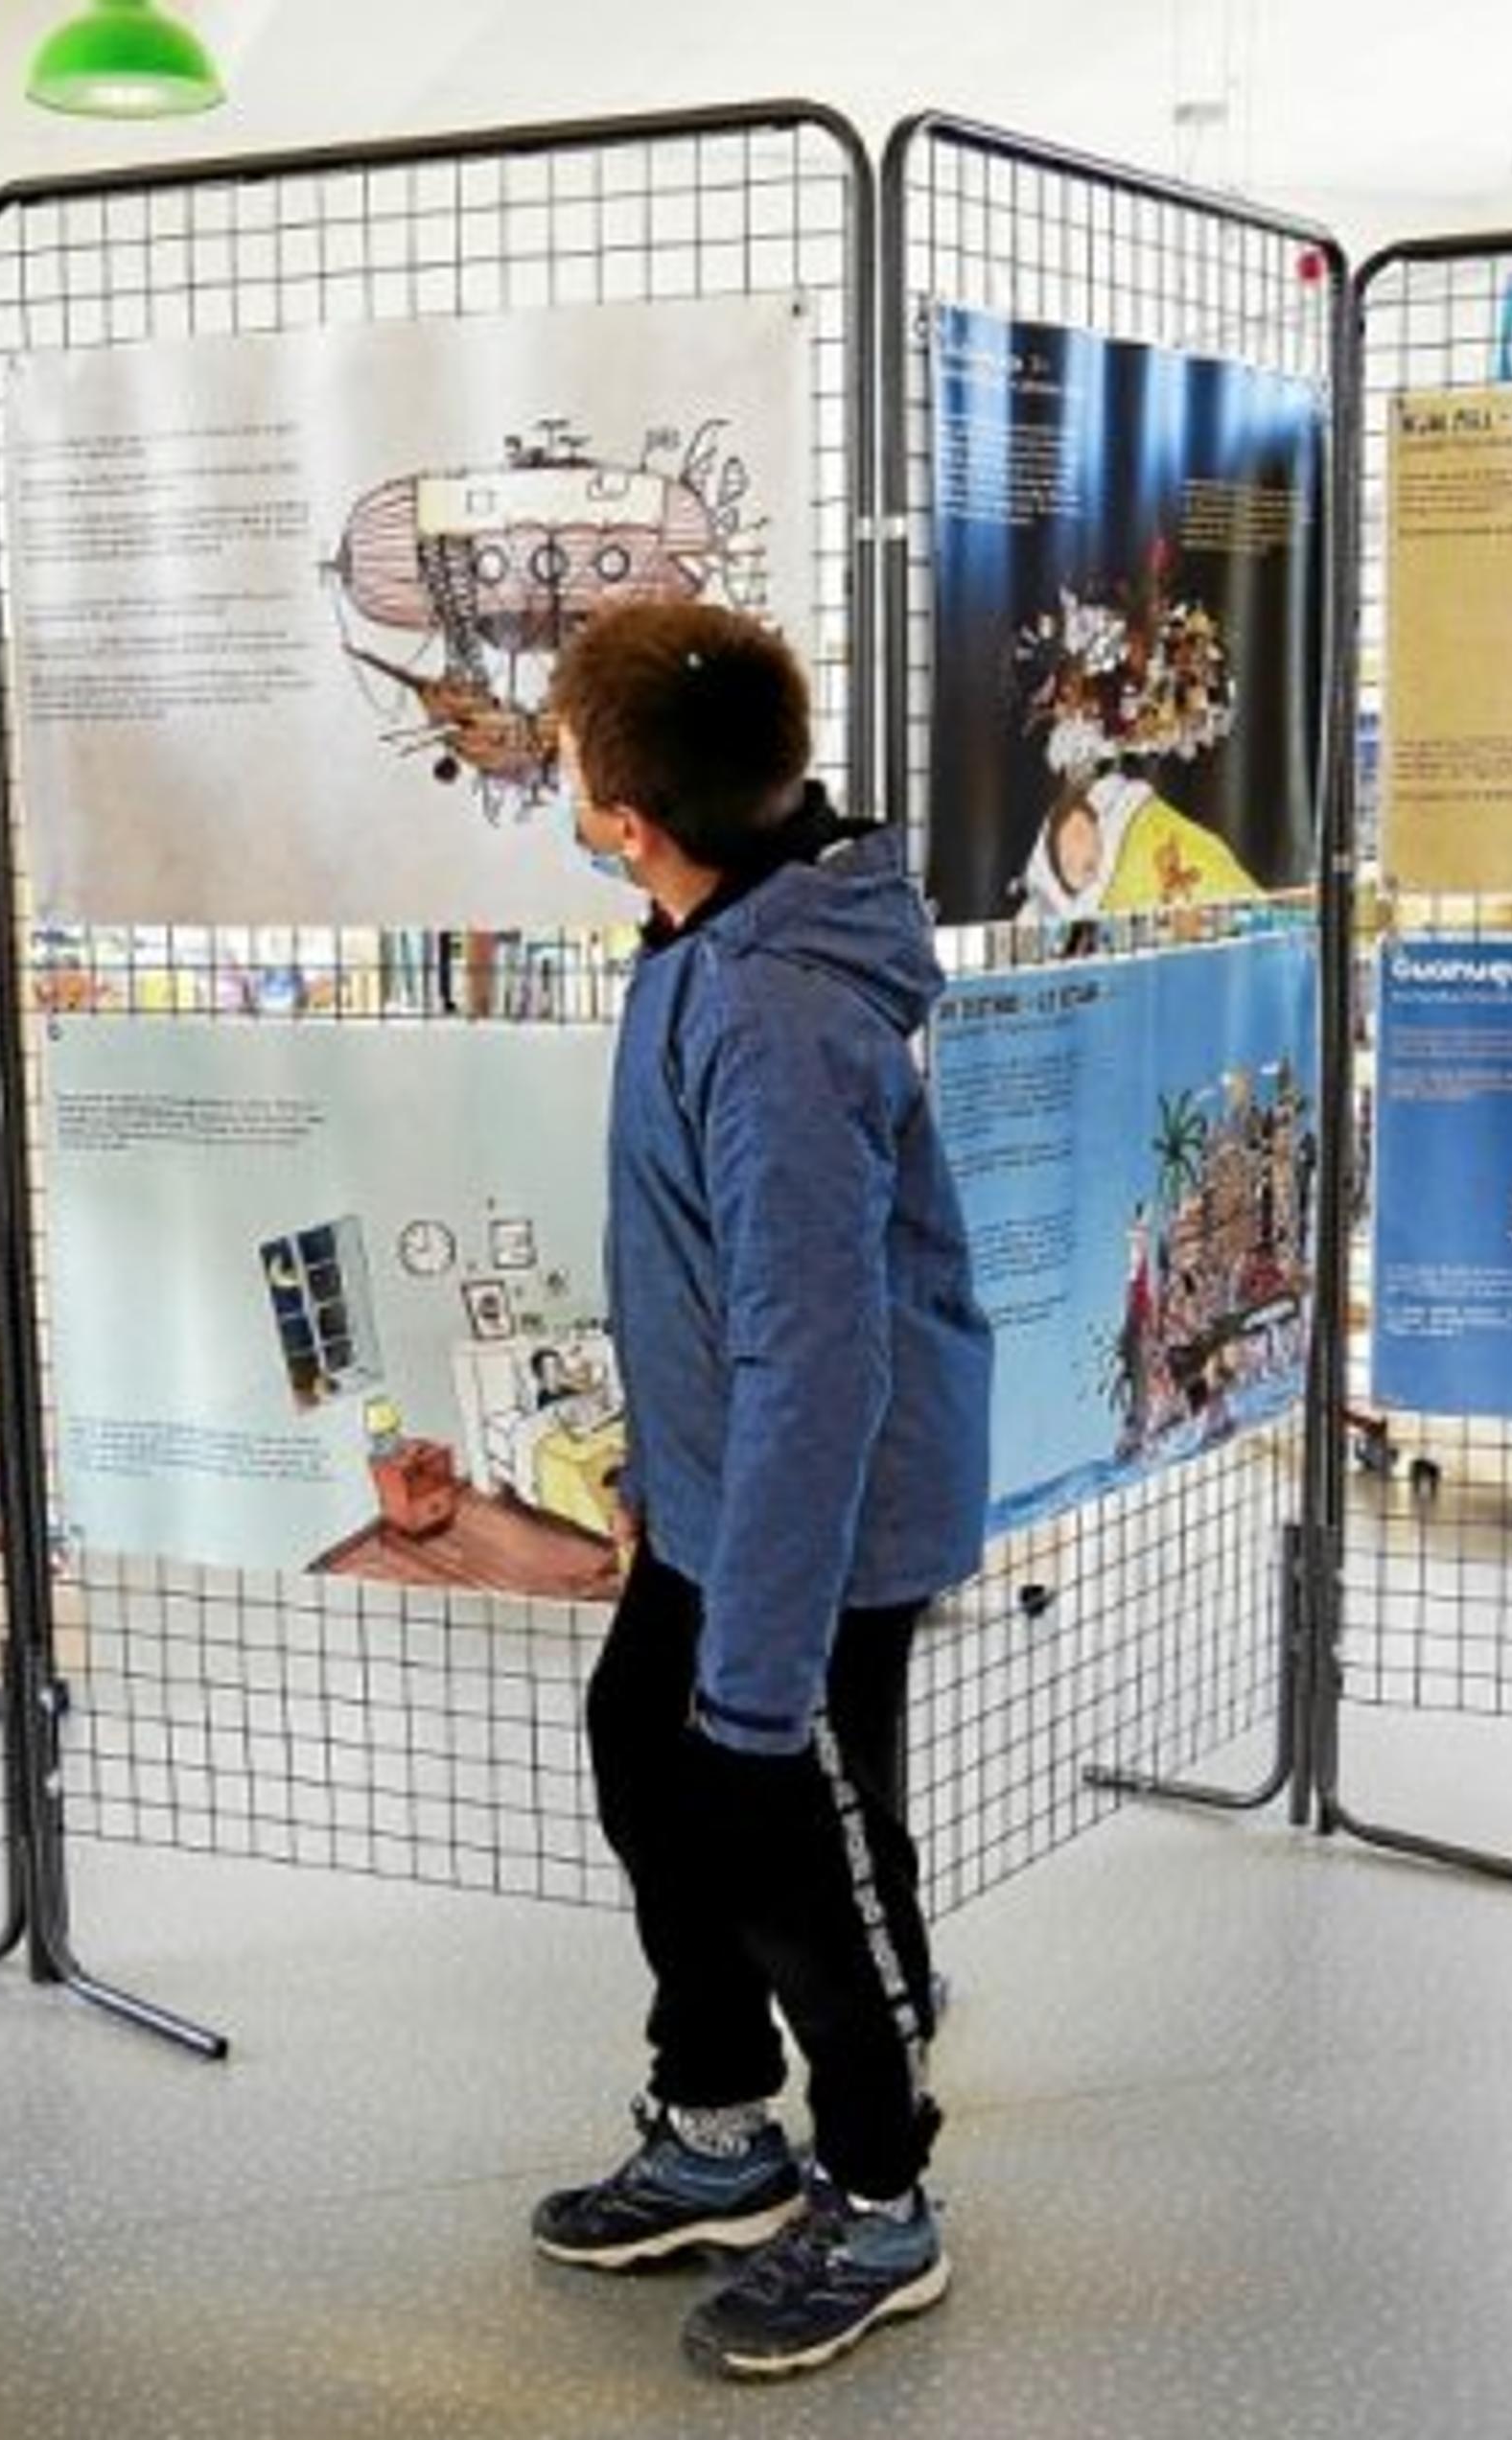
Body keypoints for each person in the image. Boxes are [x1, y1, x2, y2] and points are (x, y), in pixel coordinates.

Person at [528, 602, 994, 2380]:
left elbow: (819, 1363)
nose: (556, 768)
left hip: (813, 1522)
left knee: (802, 1833)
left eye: (569, 751)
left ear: (628, 809)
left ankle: (880, 2194)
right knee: (649, 1753)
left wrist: (769, 1652)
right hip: (723, 1496)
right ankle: (723, 2124)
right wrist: (662, 1473)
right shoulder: (709, 932)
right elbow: (708, 1276)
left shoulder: (781, 1015)